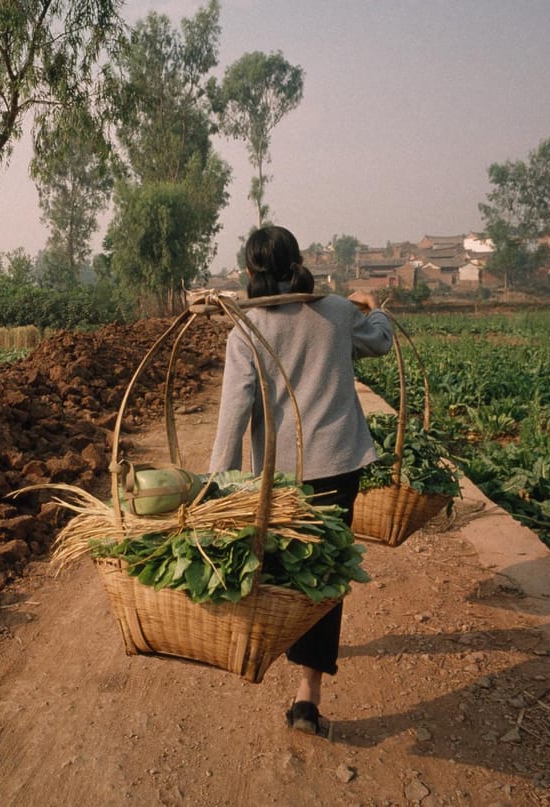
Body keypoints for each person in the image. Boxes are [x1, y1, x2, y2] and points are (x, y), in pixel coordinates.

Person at [208, 224, 393, 736]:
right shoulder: (335, 311)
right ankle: (307, 695)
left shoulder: (245, 331)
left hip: (283, 478)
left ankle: (290, 650)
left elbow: (233, 418)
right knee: (325, 574)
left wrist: (213, 490)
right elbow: (378, 340)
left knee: (291, 572)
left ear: (250, 273)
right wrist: (373, 306)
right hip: (340, 466)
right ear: (297, 264)